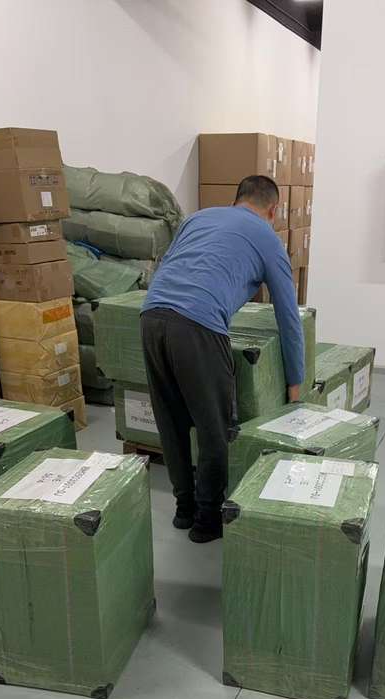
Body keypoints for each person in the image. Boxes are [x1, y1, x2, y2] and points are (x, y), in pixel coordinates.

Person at [140, 174, 304, 544]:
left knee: (171, 421)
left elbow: (169, 266)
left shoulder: (197, 218)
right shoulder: (267, 238)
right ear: (273, 210)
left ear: (237, 199)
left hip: (151, 317)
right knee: (214, 428)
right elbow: (288, 315)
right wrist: (296, 383)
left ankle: (184, 510)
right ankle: (207, 521)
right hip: (198, 325)